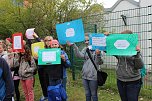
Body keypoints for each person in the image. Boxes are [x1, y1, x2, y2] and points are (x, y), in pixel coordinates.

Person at [105, 30, 144, 101]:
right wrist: (107, 38)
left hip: (133, 81)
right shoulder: (118, 49)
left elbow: (140, 66)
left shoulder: (134, 50)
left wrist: (137, 54)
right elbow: (108, 49)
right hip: (120, 80)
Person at [67, 35, 103, 101]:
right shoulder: (85, 49)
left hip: (93, 76)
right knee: (87, 94)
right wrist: (74, 45)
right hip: (85, 76)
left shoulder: (98, 49)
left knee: (94, 94)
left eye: (88, 40)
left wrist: (98, 55)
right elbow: (79, 56)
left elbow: (99, 62)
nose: (86, 42)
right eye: (85, 41)